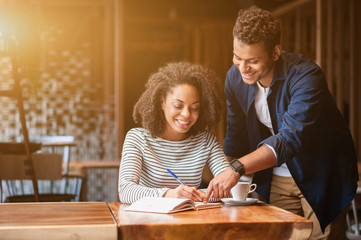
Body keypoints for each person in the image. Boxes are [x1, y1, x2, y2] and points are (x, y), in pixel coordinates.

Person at [203, 6, 358, 239]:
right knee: (275, 234)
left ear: (276, 52)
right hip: (276, 176)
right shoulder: (234, 78)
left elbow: (289, 139)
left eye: (253, 61)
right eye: (237, 57)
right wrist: (222, 178)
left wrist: (236, 169)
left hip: (322, 174)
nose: (243, 68)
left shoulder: (306, 76)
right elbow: (236, 137)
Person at [118, 61, 229, 204]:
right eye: (178, 105)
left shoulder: (206, 141)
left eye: (194, 108)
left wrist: (193, 195)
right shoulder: (138, 138)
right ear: (161, 102)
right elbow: (126, 191)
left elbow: (228, 185)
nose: (186, 114)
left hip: (190, 220)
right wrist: (169, 194)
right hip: (148, 220)